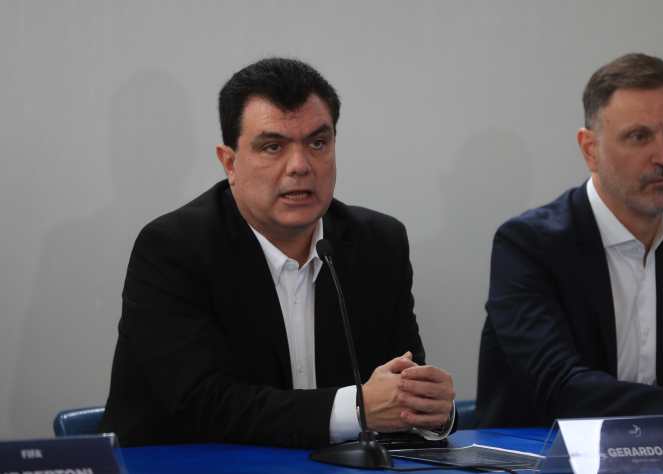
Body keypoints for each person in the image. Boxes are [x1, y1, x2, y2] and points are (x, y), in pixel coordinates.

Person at [100, 57, 455, 448]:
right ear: (230, 163)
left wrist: (431, 410)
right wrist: (355, 410)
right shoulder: (173, 249)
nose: (300, 166)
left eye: (318, 143)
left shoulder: (378, 244)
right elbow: (201, 405)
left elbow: (399, 388)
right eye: (273, 147)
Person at [476, 53, 663, 435]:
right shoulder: (528, 246)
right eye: (639, 137)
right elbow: (561, 388)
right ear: (590, 149)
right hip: (542, 455)